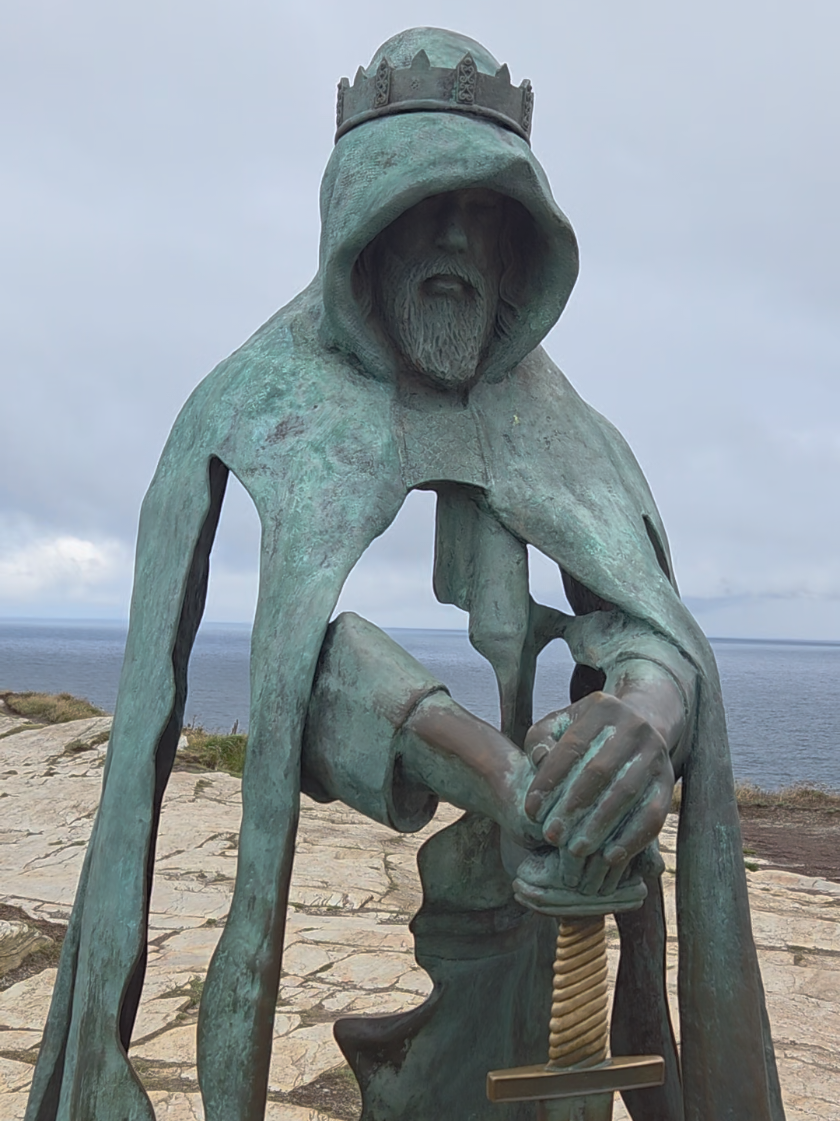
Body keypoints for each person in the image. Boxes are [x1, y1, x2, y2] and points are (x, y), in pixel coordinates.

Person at [26, 27, 784, 1121]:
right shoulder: (245, 405)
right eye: (419, 201)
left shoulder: (572, 430)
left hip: (541, 961)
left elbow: (646, 624)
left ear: (523, 238)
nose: (454, 236)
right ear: (356, 224)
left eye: (485, 209)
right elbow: (305, 674)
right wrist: (483, 762)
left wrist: (643, 712)